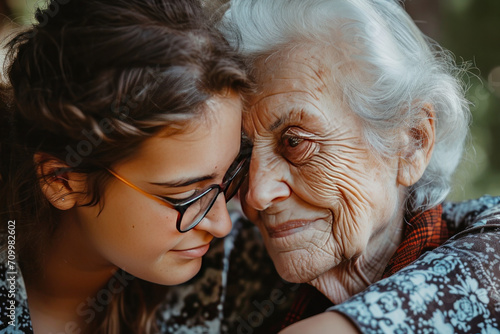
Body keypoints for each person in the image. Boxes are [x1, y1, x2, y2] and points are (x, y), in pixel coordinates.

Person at [217, 0, 500, 332]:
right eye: (245, 153)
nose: (257, 194)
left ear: (412, 141)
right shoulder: (227, 265)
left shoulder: (489, 249)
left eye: (295, 142)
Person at [0, 0, 251, 333]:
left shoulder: (236, 264)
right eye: (187, 194)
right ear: (61, 180)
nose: (222, 225)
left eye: (230, 173)